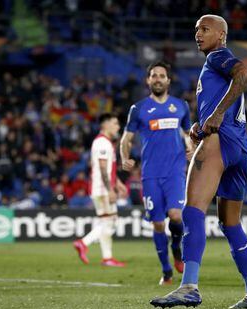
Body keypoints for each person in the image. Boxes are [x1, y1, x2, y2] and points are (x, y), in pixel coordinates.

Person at [150, 15, 247, 309]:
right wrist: (202, 123)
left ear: (221, 35)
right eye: (196, 30)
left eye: (205, 29)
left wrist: (213, 117)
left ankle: (189, 286)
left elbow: (246, 75)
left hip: (221, 140)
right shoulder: (214, 64)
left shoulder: (218, 56)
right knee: (231, 224)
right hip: (240, 145)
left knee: (192, 211)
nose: (198, 35)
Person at [120, 61, 193, 285]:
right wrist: (125, 157)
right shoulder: (138, 108)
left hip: (175, 172)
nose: (158, 79)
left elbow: (187, 132)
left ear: (168, 81)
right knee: (158, 224)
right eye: (154, 76)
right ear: (148, 80)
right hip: (150, 174)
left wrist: (190, 147)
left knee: (176, 215)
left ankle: (177, 250)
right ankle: (166, 271)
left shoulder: (181, 106)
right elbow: (127, 138)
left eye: (162, 75)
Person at [73, 113, 127, 267]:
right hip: (102, 189)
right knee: (111, 222)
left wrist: (118, 183)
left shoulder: (103, 142)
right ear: (105, 125)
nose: (117, 127)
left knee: (107, 221)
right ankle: (84, 242)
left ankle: (107, 258)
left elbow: (107, 168)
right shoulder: (102, 143)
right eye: (115, 123)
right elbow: (103, 169)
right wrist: (110, 189)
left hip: (100, 187)